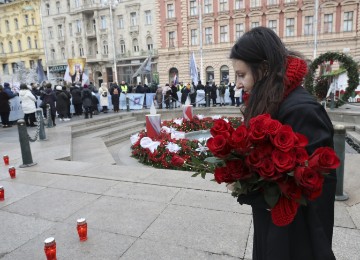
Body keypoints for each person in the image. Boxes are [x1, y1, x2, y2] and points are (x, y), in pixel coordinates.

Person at [230, 27, 336, 260]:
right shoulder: (273, 100)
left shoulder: (301, 109)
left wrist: (249, 188)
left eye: (241, 74)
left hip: (294, 234)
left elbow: (314, 187)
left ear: (264, 69)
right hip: (275, 222)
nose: (238, 83)